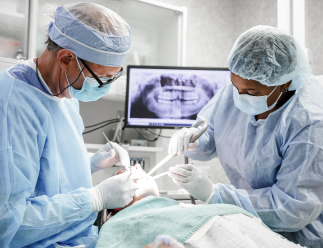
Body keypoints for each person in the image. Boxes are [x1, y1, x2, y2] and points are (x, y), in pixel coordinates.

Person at [167, 25, 323, 248]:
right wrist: (195, 140)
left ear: (284, 83)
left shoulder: (309, 123)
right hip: (246, 227)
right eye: (235, 86)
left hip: (295, 238)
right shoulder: (242, 83)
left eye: (251, 93)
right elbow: (213, 129)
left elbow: (292, 209)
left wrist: (214, 194)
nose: (239, 97)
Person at [0, 3, 139, 247]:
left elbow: (46, 178)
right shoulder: (12, 105)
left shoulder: (64, 93)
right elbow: (8, 223)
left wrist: (91, 165)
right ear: (66, 58)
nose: (106, 86)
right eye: (102, 77)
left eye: (114, 76)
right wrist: (95, 199)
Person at [95, 164, 304, 248]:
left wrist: (211, 192)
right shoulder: (119, 224)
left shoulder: (176, 209)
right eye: (128, 173)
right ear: (115, 206)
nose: (137, 167)